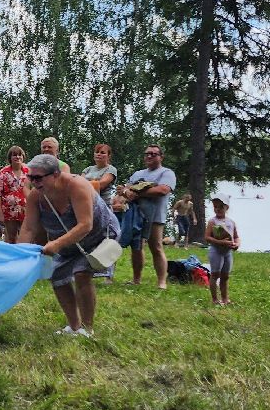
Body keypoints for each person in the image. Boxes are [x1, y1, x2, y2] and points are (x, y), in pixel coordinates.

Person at [19, 153, 119, 338]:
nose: (33, 182)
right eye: (30, 177)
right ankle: (74, 326)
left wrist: (55, 244)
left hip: (96, 236)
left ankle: (87, 329)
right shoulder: (36, 196)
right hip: (67, 242)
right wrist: (19, 254)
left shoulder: (77, 185)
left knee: (81, 274)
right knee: (57, 275)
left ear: (55, 174)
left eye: (38, 177)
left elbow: (85, 225)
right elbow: (29, 227)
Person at [121, 144, 176, 288]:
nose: (149, 156)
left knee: (156, 247)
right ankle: (136, 279)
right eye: (147, 154)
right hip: (135, 215)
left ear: (161, 157)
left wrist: (137, 193)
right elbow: (125, 188)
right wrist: (127, 192)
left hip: (155, 217)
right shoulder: (138, 174)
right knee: (136, 247)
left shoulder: (166, 173)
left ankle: (162, 282)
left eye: (153, 154)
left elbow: (163, 190)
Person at [204, 196, 239, 306]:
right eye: (215, 207)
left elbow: (236, 236)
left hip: (227, 253)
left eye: (221, 207)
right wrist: (220, 242)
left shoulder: (231, 222)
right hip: (216, 251)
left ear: (226, 207)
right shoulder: (212, 221)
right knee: (215, 275)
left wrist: (237, 244)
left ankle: (225, 299)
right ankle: (215, 299)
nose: (218, 209)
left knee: (225, 276)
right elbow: (207, 237)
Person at [0, 146, 28, 243]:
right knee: (11, 237)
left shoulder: (29, 171)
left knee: (26, 237)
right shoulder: (3, 173)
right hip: (9, 211)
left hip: (26, 210)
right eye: (14, 155)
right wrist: (0, 214)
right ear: (10, 158)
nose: (17, 157)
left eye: (20, 155)